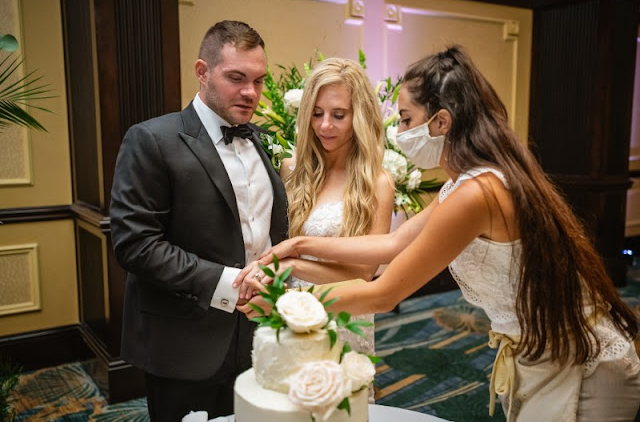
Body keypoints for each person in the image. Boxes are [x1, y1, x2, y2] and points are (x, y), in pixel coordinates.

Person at [240, 45, 640, 421]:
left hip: (584, 364)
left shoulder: (476, 193)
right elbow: (394, 243)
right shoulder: (464, 184)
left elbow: (383, 293)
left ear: (442, 122)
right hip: (537, 349)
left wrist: (283, 304)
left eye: (407, 119)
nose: (398, 130)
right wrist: (295, 247)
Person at [109, 21, 288, 422]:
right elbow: (135, 245)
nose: (251, 92)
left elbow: (266, 228)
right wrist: (228, 284)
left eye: (259, 80)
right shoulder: (152, 140)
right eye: (236, 78)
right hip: (184, 341)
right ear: (202, 71)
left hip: (260, 334)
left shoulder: (262, 138)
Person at [234, 58, 395, 358]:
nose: (324, 125)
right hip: (288, 306)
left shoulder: (378, 182)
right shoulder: (290, 169)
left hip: (344, 311)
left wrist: (291, 265)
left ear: (358, 116)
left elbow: (362, 275)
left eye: (339, 115)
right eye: (317, 113)